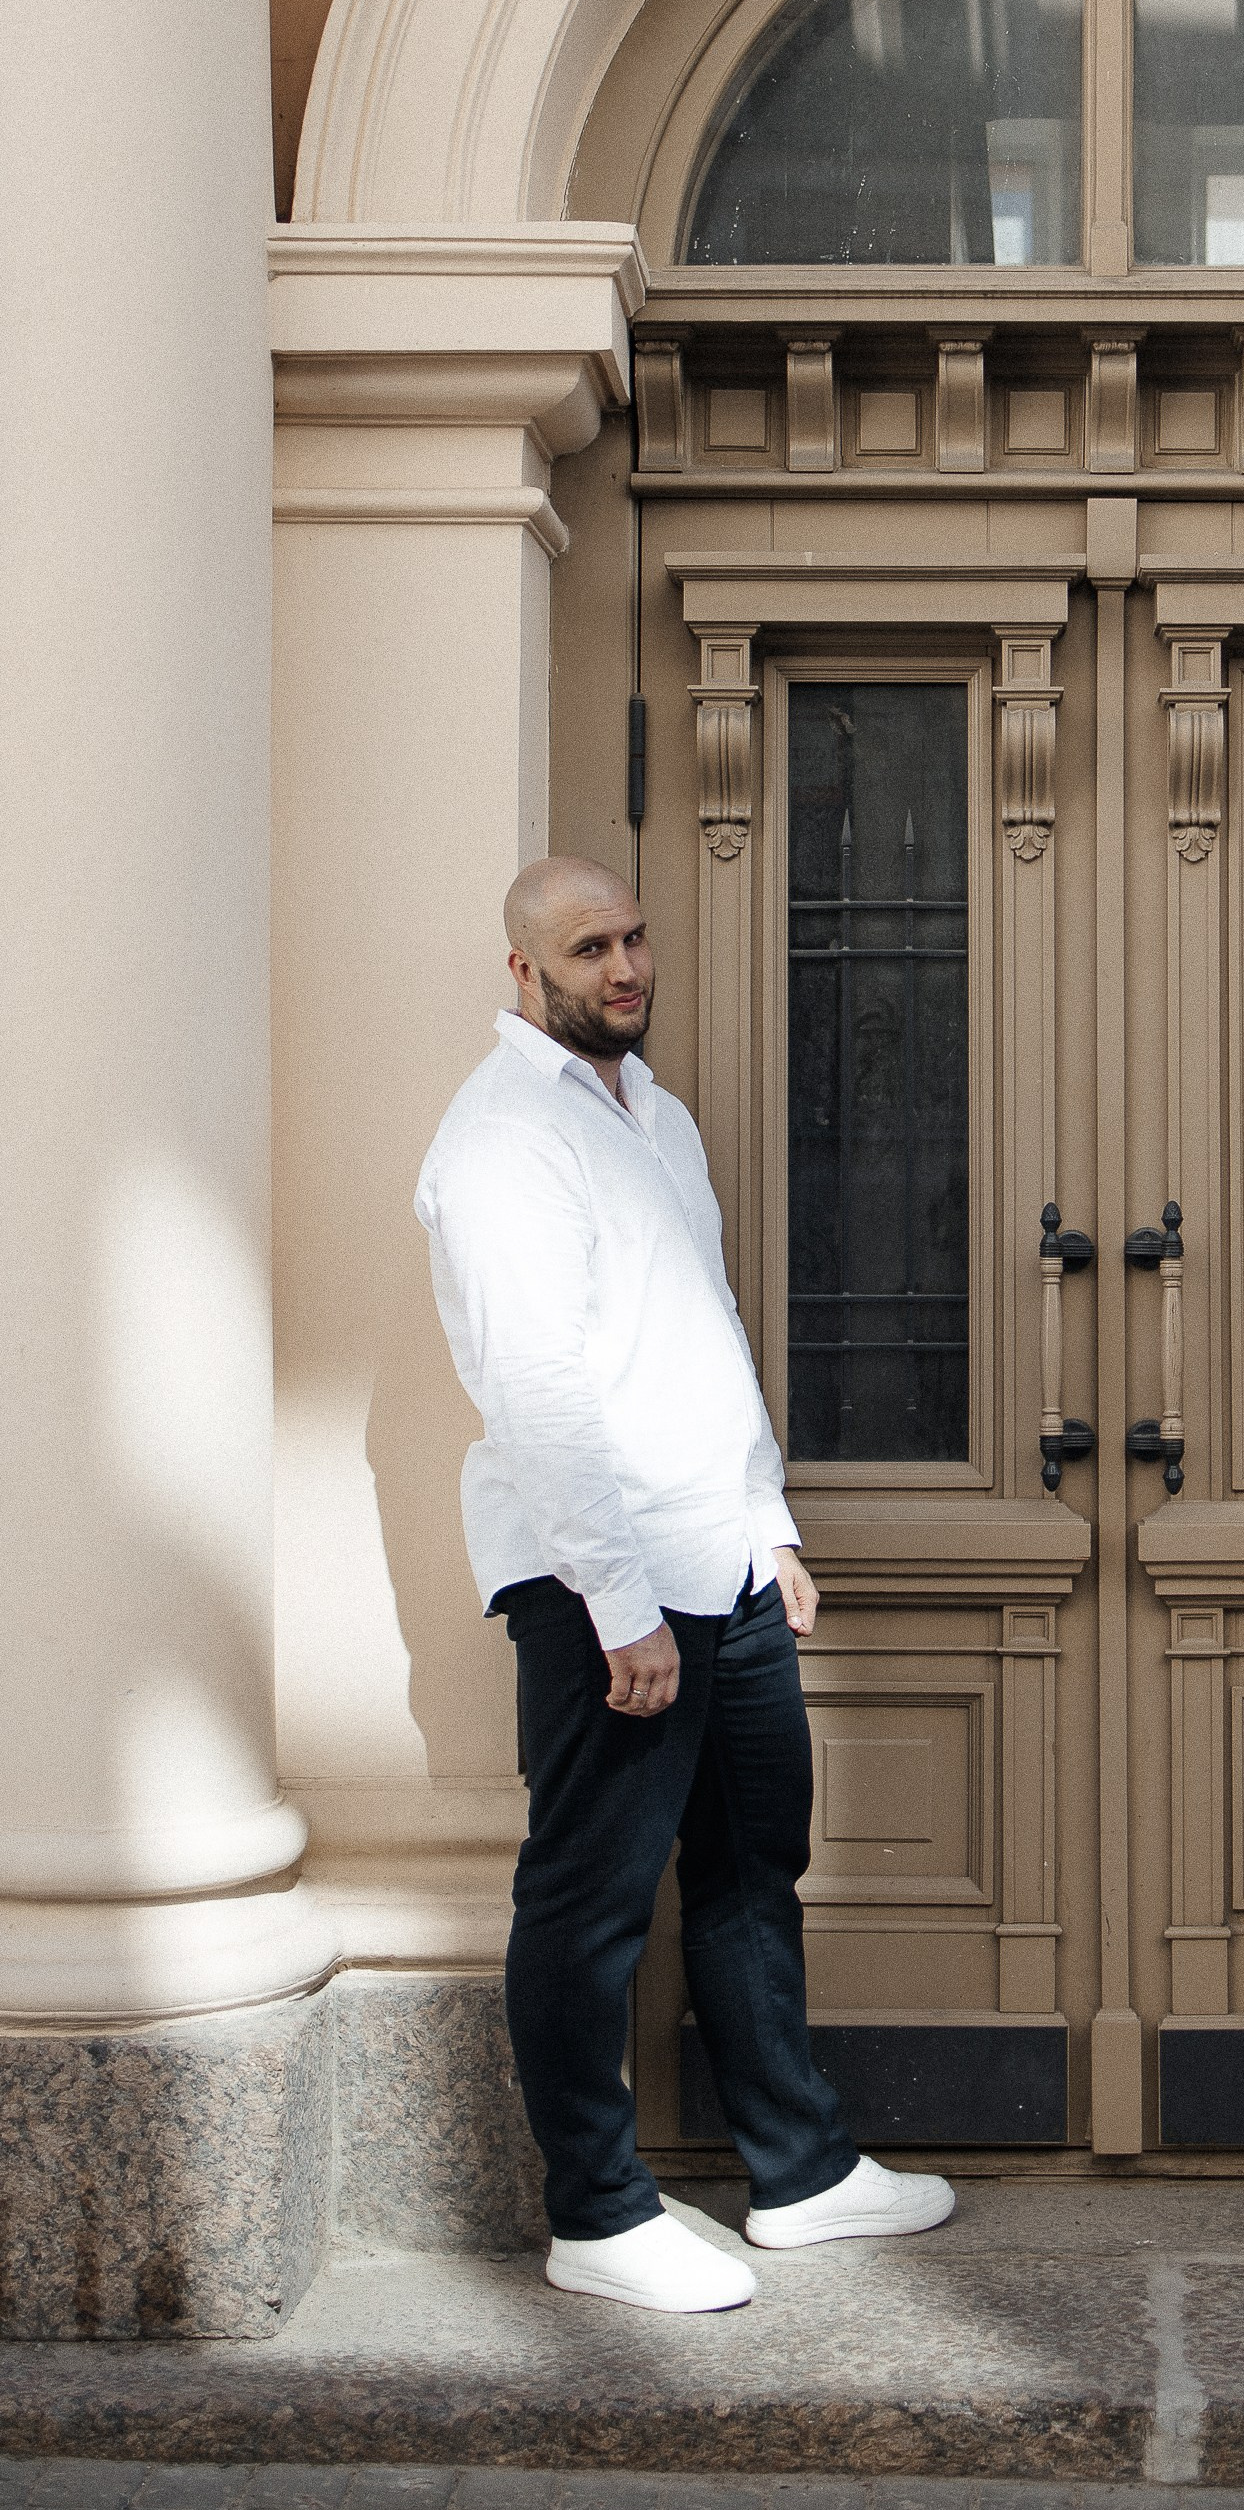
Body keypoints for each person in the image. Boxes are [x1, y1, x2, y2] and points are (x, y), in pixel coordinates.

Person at [416, 856, 957, 2315]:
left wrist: (765, 1522)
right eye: (590, 948)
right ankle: (597, 2216)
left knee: (749, 1868)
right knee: (591, 1900)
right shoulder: (503, 1139)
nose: (625, 967)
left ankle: (801, 2173)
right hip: (605, 1587)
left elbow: (698, 1331)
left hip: (719, 1562)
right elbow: (537, 1390)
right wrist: (619, 1606)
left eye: (635, 937)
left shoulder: (653, 1113)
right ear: (525, 972)